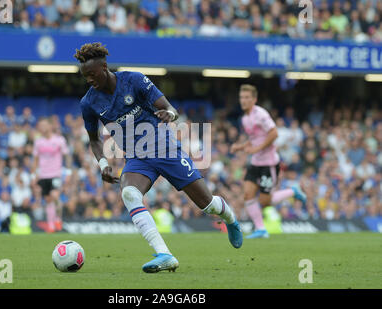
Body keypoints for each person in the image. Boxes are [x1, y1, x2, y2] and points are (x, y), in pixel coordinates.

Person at [75, 42, 242, 273]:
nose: (89, 80)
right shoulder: (88, 102)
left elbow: (169, 108)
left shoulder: (133, 80)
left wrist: (169, 114)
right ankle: (165, 254)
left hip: (164, 147)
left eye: (92, 74)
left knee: (208, 205)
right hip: (136, 157)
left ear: (104, 67)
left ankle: (230, 218)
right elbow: (94, 139)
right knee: (129, 193)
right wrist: (103, 163)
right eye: (85, 77)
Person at [230, 84, 306, 239]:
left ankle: (293, 191)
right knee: (248, 195)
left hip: (269, 163)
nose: (243, 100)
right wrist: (241, 147)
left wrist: (257, 149)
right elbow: (255, 139)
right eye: (241, 97)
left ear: (254, 99)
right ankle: (261, 229)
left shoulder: (261, 114)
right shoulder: (245, 118)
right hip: (256, 162)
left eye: (246, 97)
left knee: (265, 201)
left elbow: (274, 134)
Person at [31, 118, 70, 233]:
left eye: (44, 125)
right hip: (43, 175)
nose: (42, 128)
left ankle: (58, 219)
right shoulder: (38, 142)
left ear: (50, 126)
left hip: (56, 174)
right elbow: (35, 160)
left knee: (55, 196)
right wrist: (33, 176)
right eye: (40, 125)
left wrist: (68, 172)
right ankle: (51, 225)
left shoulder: (59, 140)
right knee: (48, 200)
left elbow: (67, 156)